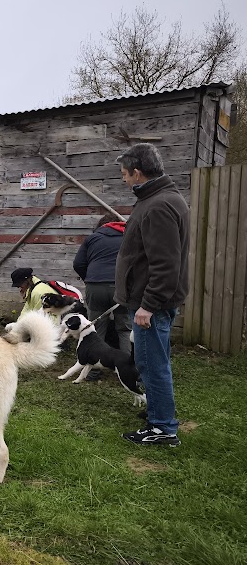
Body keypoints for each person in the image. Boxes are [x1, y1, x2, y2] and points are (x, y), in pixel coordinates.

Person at [115, 143, 189, 447]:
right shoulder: (160, 198)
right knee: (155, 360)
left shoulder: (158, 205)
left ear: (137, 172)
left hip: (150, 305)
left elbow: (165, 264)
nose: (123, 179)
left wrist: (148, 305)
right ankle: (158, 413)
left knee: (151, 364)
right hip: (152, 301)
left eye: (124, 174)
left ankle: (162, 428)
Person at [73, 213, 132, 381]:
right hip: (121, 288)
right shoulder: (128, 238)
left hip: (95, 287)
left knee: (96, 330)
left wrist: (90, 280)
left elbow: (78, 264)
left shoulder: (92, 238)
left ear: (101, 225)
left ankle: (93, 372)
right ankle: (127, 369)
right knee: (124, 329)